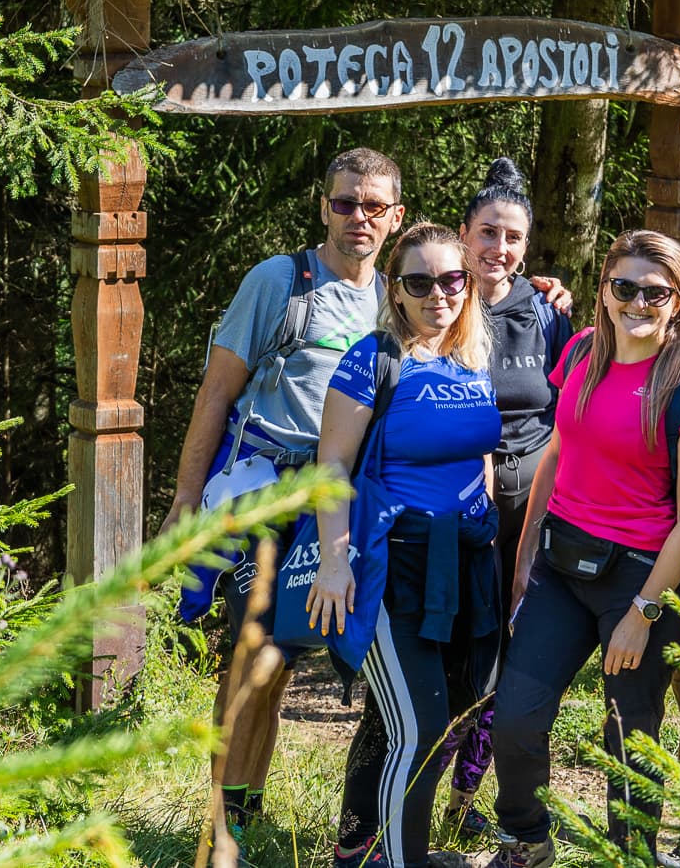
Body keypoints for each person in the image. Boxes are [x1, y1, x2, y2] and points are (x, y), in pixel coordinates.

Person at [167, 147, 405, 841]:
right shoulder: (282, 281)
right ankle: (222, 820)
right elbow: (217, 389)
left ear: (396, 216)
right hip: (264, 490)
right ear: (323, 205)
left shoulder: (394, 296)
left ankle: (248, 804)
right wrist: (186, 495)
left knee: (283, 658)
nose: (357, 217)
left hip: (334, 499)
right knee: (252, 657)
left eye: (372, 206)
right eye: (344, 202)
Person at [485, 231, 680, 868]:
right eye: (625, 287)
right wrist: (526, 556)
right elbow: (557, 455)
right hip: (560, 569)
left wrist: (644, 613)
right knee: (516, 718)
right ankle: (527, 838)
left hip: (638, 580)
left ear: (678, 301)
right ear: (605, 291)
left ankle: (631, 856)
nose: (638, 302)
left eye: (656, 291)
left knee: (630, 739)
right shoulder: (585, 353)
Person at [307, 222, 503, 868]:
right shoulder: (373, 357)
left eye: (452, 278)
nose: (438, 293)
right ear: (397, 289)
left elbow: (478, 453)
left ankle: (356, 849)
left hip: (468, 561)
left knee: (421, 722)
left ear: (468, 282)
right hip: (395, 562)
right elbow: (332, 465)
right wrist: (334, 563)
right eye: (420, 281)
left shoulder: (475, 354)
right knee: (417, 730)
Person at [440, 159, 572, 837]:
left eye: (512, 236)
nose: (499, 248)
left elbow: (573, 404)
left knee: (514, 656)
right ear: (463, 234)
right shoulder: (435, 301)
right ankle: (418, 793)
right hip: (460, 503)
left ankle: (466, 804)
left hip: (533, 508)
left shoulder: (547, 313)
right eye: (487, 232)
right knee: (468, 649)